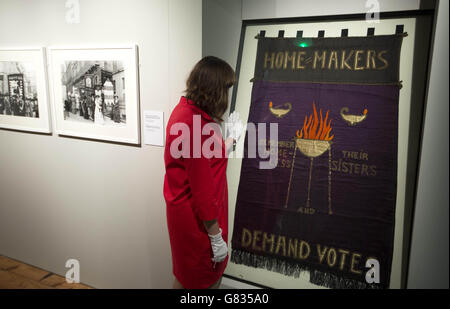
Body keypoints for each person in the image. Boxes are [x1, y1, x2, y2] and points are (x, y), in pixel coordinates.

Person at [163, 56, 244, 289]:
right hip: (198, 221)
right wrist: (216, 236)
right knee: (201, 279)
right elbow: (202, 191)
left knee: (188, 278)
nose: (227, 98)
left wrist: (230, 140)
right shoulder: (193, 125)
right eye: (226, 90)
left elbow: (208, 158)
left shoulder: (189, 112)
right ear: (215, 91)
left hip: (196, 216)